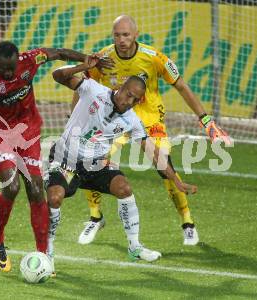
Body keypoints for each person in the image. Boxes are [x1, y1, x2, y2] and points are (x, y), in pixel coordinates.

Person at [73, 15, 230, 246]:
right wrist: (75, 117)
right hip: (114, 117)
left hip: (148, 118)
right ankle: (96, 217)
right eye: (117, 35)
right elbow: (81, 86)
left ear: (136, 34)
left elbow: (181, 86)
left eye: (126, 35)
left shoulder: (154, 58)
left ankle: (187, 221)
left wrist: (206, 120)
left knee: (163, 164)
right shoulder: (103, 58)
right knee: (92, 161)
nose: (122, 40)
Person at [0, 41, 112, 272]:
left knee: (35, 189)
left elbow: (59, 53)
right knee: (11, 188)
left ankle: (43, 256)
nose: (9, 73)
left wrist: (86, 60)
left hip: (29, 132)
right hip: (1, 134)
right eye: (4, 69)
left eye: (12, 67)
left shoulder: (29, 60)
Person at [47, 57, 197, 273]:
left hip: (96, 165)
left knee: (124, 188)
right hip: (66, 159)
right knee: (55, 197)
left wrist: (176, 181)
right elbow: (58, 75)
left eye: (134, 99)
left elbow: (153, 153)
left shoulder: (132, 120)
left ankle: (135, 247)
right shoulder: (93, 90)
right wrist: (83, 67)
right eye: (127, 94)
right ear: (119, 87)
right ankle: (47, 251)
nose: (128, 101)